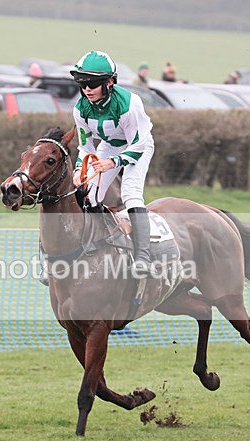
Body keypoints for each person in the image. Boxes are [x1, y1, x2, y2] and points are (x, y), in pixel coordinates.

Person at [70, 50, 155, 278]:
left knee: (130, 194)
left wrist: (113, 162)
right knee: (89, 195)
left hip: (138, 146)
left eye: (93, 83)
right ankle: (94, 247)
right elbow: (85, 148)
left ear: (109, 82)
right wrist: (79, 170)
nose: (87, 89)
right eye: (83, 83)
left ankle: (143, 257)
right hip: (108, 146)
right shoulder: (80, 108)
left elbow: (137, 144)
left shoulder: (128, 104)